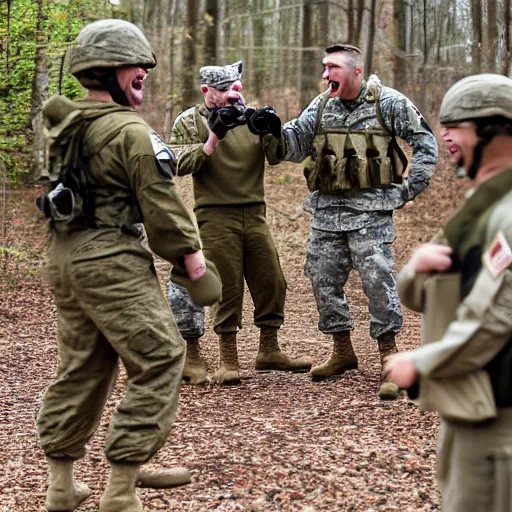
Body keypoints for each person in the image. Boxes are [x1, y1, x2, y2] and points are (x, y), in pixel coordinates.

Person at [35, 19, 220, 512]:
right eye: (137, 67)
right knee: (160, 356)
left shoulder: (65, 125)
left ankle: (62, 485)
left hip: (65, 254)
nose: (144, 73)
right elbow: (160, 201)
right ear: (111, 70)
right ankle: (121, 488)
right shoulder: (131, 131)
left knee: (84, 365)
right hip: (110, 257)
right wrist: (191, 257)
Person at [260, 43, 438, 398]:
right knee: (323, 281)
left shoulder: (389, 103)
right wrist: (271, 130)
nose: (326, 75)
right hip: (326, 214)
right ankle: (342, 351)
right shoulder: (322, 103)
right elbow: (293, 146)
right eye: (324, 68)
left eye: (333, 68)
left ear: (356, 71)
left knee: (377, 282)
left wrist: (404, 192)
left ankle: (389, 355)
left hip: (370, 215)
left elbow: (426, 144)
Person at [384, 73, 512, 511]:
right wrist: (418, 266)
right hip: (471, 407)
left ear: (494, 130)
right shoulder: (481, 207)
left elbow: (496, 317)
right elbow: (413, 292)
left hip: (500, 419)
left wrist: (421, 363)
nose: (444, 136)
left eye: (455, 124)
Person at [168, 60, 312, 385]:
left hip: (255, 211)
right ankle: (227, 360)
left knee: (272, 280)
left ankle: (269, 351)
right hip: (216, 214)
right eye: (223, 90)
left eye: (236, 87)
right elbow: (176, 164)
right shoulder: (190, 121)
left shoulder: (252, 118)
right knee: (228, 286)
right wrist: (212, 139)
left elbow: (276, 157)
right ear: (207, 91)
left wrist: (274, 130)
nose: (232, 95)